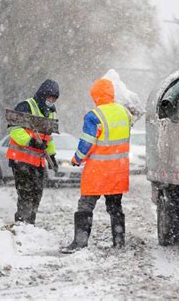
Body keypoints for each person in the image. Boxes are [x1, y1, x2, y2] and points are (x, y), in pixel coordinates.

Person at [61, 78, 132, 254]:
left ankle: (80, 242)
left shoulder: (95, 116)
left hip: (98, 171)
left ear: (96, 96)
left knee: (85, 206)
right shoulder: (125, 113)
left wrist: (77, 159)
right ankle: (119, 241)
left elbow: (87, 143)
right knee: (115, 207)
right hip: (118, 170)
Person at [6, 79, 59, 225]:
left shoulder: (51, 113)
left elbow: (48, 138)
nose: (51, 101)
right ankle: (22, 224)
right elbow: (13, 129)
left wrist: (52, 156)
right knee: (25, 193)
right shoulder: (26, 106)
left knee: (37, 194)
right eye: (50, 97)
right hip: (21, 159)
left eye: (54, 98)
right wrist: (31, 142)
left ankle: (30, 223)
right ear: (43, 95)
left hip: (38, 162)